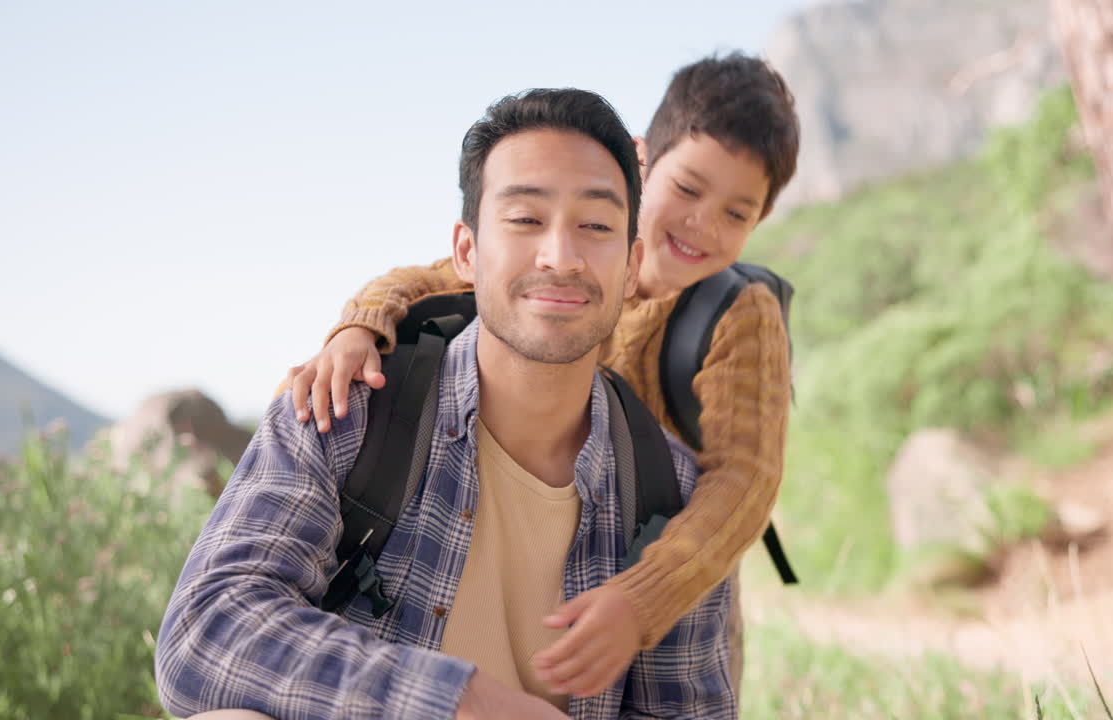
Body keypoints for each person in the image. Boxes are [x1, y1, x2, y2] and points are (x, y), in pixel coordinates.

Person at [156, 87, 735, 720]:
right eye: (525, 220)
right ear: (466, 252)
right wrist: (459, 702)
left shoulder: (669, 492)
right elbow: (204, 632)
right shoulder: (345, 411)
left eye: (595, 226)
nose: (561, 257)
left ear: (630, 265)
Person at [285, 52, 799, 697]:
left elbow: (745, 478)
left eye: (736, 213)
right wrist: (359, 328)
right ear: (642, 163)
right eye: (689, 189)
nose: (702, 224)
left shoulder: (738, 314)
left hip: (663, 573)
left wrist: (643, 600)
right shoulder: (566, 264)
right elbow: (428, 279)